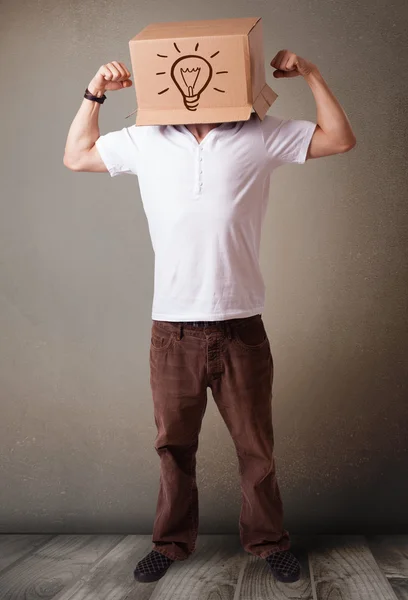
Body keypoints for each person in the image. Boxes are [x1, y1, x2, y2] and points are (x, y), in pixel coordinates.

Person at [63, 50, 356, 585]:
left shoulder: (260, 133)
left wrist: (312, 73)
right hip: (172, 328)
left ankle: (268, 544)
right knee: (173, 448)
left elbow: (339, 139)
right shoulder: (146, 138)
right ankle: (171, 544)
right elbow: (77, 155)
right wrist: (95, 90)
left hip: (241, 325)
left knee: (256, 449)